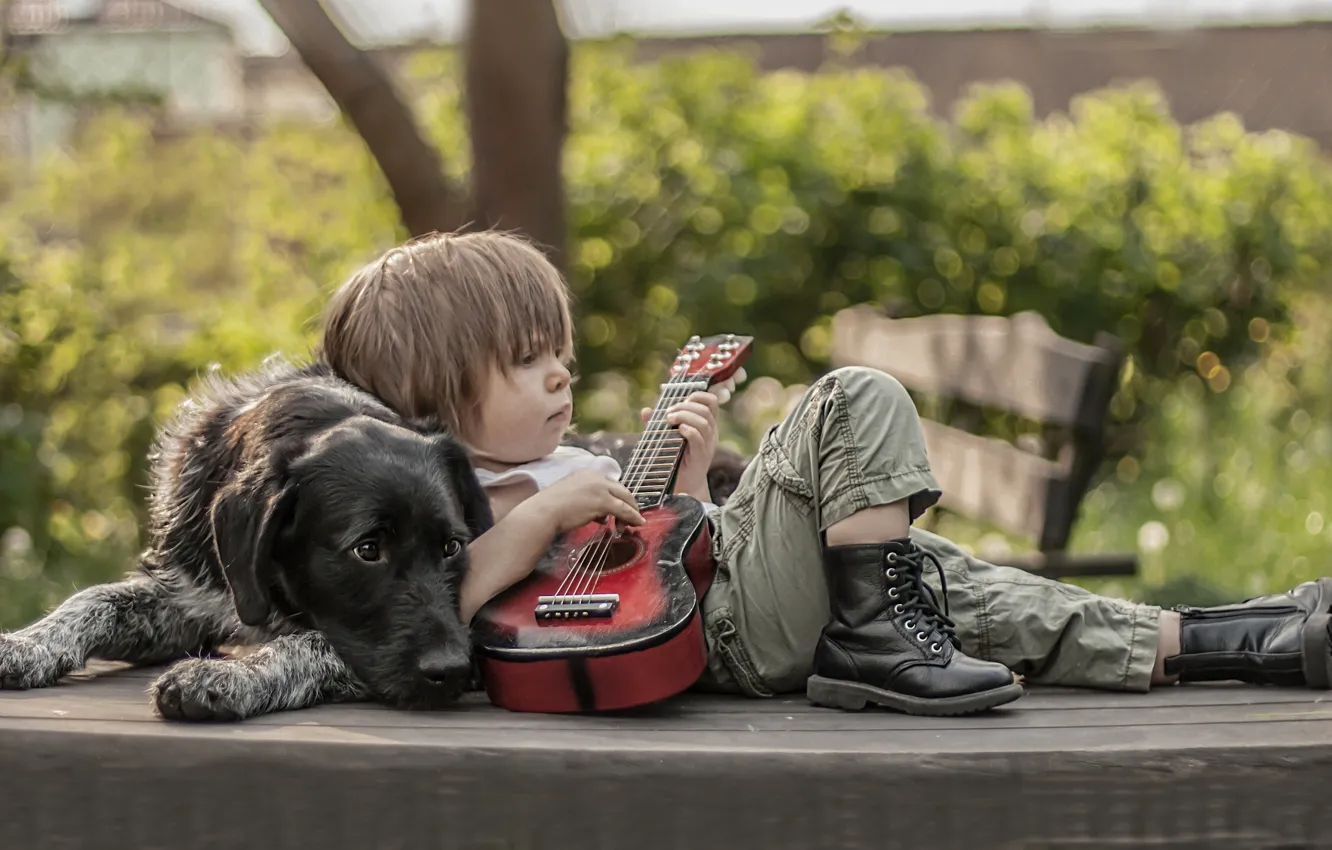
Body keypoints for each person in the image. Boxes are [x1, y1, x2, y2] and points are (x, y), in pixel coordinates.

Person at [316, 229, 1332, 716]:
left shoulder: (554, 460)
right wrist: (544, 518)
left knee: (954, 584)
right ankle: (874, 640)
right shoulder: (450, 499)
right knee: (853, 398)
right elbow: (436, 609)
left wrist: (682, 485)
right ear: (435, 397)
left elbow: (645, 562)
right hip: (719, 635)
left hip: (710, 610)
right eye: (525, 358)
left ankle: (1246, 640)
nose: (559, 368)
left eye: (559, 346)